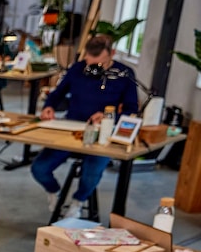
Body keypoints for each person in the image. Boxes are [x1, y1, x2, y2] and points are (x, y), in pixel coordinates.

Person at [32, 34, 139, 218]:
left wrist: (108, 117)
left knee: (91, 172)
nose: (93, 68)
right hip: (72, 128)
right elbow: (57, 93)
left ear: (112, 54)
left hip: (102, 133)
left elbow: (131, 110)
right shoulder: (77, 69)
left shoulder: (124, 74)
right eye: (90, 62)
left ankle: (78, 202)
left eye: (99, 63)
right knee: (39, 168)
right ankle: (55, 193)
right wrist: (49, 107)